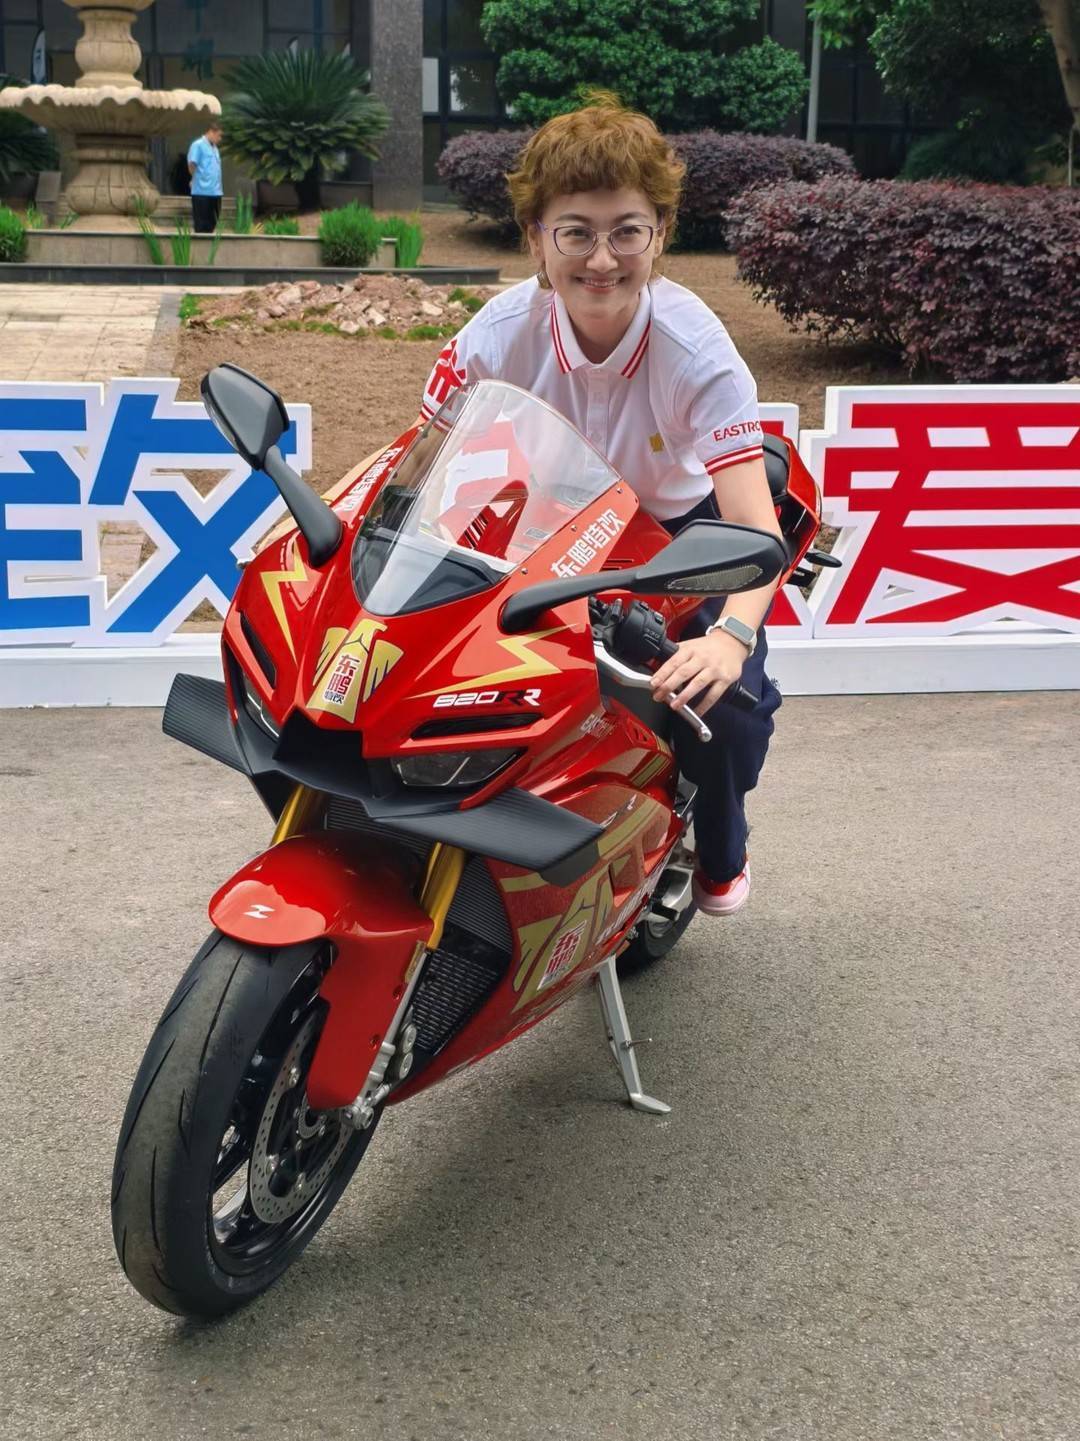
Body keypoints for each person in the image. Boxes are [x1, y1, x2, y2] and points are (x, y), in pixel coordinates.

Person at [415, 93, 785, 917]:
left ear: (661, 233)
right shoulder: (495, 334)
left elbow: (756, 531)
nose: (603, 259)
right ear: (536, 238)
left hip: (676, 541)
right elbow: (420, 466)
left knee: (724, 710)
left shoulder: (698, 352)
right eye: (575, 232)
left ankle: (719, 846)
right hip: (545, 525)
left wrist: (728, 640)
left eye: (628, 231)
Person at [187, 121, 223, 233]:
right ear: (211, 132)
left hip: (216, 192)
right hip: (201, 192)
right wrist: (194, 179)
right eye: (219, 135)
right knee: (202, 225)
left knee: (212, 224)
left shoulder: (215, 148)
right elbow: (192, 164)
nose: (220, 139)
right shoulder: (198, 145)